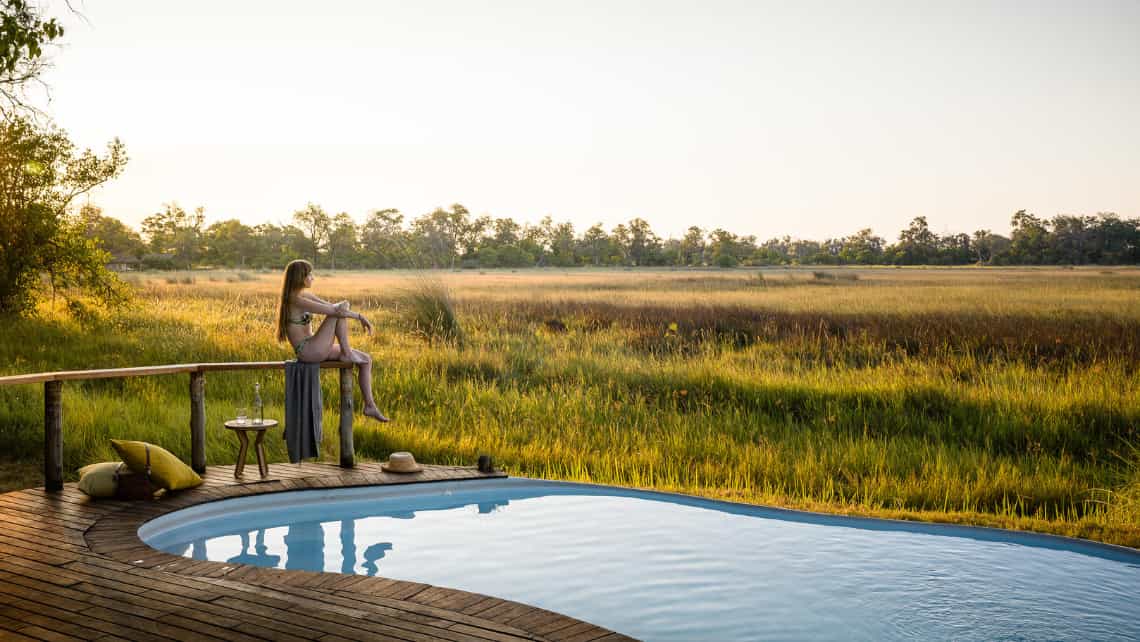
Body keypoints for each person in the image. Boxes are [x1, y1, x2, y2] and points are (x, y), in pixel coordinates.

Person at [276, 259, 389, 422]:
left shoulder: (304, 295)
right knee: (338, 312)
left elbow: (335, 306)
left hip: (316, 346)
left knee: (366, 360)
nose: (312, 278)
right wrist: (359, 316)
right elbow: (334, 311)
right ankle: (347, 353)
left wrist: (346, 306)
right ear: (301, 277)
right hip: (308, 351)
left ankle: (370, 405)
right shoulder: (295, 300)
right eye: (309, 274)